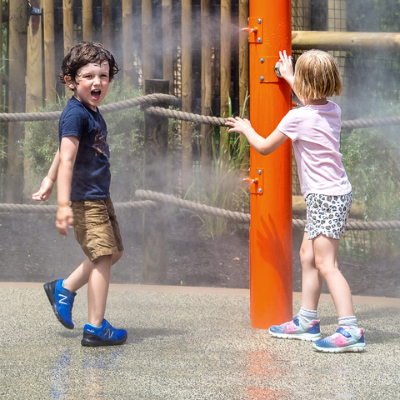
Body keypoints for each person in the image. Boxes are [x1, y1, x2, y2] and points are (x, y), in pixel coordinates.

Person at [225, 49, 365, 353]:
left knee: (327, 264)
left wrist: (247, 128)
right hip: (332, 195)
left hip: (326, 197)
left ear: (304, 84)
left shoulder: (296, 117)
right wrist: (291, 76)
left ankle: (350, 329)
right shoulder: (333, 110)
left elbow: (263, 147)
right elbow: (309, 100)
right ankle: (307, 321)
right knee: (307, 256)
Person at [32, 42, 127, 347]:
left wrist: (48, 177)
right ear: (71, 81)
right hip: (85, 199)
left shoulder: (91, 111)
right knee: (102, 257)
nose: (97, 82)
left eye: (103, 75)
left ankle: (65, 287)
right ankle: (96, 327)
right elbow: (68, 159)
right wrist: (62, 204)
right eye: (88, 76)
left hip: (99, 195)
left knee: (114, 253)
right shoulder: (75, 114)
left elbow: (63, 151)